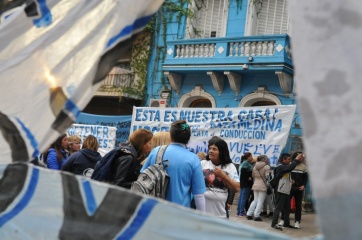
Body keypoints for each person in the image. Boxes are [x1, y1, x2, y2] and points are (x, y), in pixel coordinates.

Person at [141, 120, 206, 212]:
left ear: (171, 136)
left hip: (154, 211)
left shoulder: (156, 151)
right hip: (179, 214)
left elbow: (143, 178)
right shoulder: (193, 159)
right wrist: (201, 221)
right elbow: (199, 195)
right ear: (188, 138)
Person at [201, 139, 239, 218]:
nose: (210, 151)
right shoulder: (203, 164)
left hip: (220, 214)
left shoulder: (230, 167)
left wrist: (224, 176)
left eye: (214, 149)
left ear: (222, 152)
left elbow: (237, 188)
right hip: (202, 213)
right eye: (210, 148)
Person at [271, 152, 304, 230]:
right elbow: (289, 168)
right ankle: (274, 223)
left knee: (287, 208)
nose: (290, 161)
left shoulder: (285, 166)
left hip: (286, 190)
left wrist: (290, 181)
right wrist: (296, 159)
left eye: (290, 159)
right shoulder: (280, 167)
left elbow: (286, 175)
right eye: (288, 159)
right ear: (283, 160)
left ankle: (286, 223)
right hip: (281, 190)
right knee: (278, 207)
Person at [246, 155, 271, 221]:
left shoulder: (255, 166)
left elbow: (253, 176)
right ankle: (256, 215)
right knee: (260, 201)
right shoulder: (266, 166)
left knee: (255, 200)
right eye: (267, 159)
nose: (268, 160)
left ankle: (249, 214)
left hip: (255, 184)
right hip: (263, 185)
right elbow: (268, 177)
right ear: (265, 160)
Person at [289, 151, 308, 229]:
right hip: (290, 187)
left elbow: (306, 178)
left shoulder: (303, 167)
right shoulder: (290, 165)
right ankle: (284, 220)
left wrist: (304, 185)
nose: (302, 158)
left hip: (299, 188)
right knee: (286, 204)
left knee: (298, 206)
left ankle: (297, 221)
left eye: (302, 157)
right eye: (301, 156)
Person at [236, 152, 253, 217]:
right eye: (251, 156)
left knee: (241, 197)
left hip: (242, 183)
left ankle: (238, 211)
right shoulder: (246, 163)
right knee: (243, 198)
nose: (252, 158)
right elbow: (243, 171)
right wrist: (249, 177)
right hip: (246, 183)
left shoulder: (243, 163)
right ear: (248, 157)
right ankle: (241, 212)